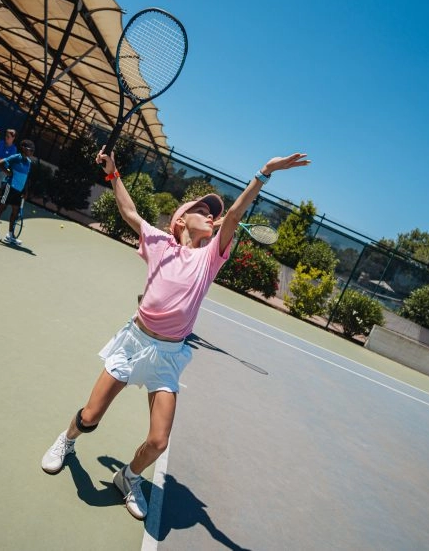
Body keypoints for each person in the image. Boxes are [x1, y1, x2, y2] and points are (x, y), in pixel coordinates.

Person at [40, 146, 310, 520]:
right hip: (134, 343)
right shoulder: (160, 243)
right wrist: (113, 173)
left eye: (213, 214)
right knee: (90, 416)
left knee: (158, 441)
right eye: (203, 211)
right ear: (181, 221)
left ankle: (128, 477)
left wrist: (264, 173)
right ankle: (67, 441)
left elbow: (233, 214)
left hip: (168, 356)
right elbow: (130, 212)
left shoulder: (211, 257)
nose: (212, 216)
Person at [0, 138, 34, 245]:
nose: (31, 151)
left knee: (15, 212)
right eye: (30, 149)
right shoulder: (16, 157)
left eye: (33, 150)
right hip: (9, 187)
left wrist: (25, 191)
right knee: (2, 207)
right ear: (23, 148)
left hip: (19, 191)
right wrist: (8, 173)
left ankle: (10, 235)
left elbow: (26, 177)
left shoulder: (29, 162)